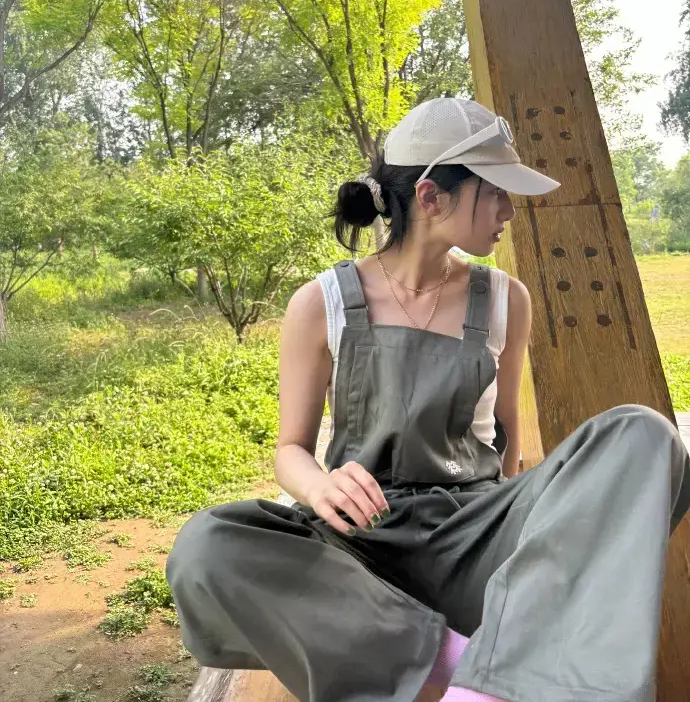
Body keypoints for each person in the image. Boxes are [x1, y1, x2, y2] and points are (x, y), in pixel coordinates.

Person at [167, 98, 690, 702]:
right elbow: (290, 450)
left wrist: (517, 531)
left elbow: (507, 438)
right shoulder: (320, 302)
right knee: (206, 546)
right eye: (495, 192)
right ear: (431, 197)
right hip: (360, 549)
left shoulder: (506, 299)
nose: (509, 211)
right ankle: (456, 662)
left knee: (644, 433)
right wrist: (319, 487)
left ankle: (485, 681)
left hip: (475, 536)